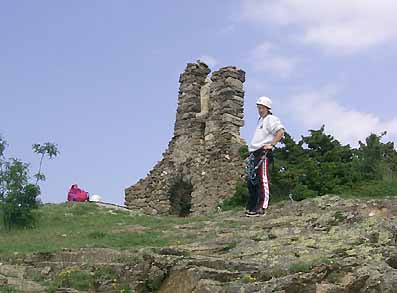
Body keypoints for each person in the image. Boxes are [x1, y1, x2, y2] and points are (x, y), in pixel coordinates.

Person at [245, 96, 285, 216]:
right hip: (255, 152)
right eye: (259, 108)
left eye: (262, 108)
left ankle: (263, 206)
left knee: (263, 179)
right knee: (252, 181)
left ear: (267, 108)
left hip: (263, 152)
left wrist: (271, 144)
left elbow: (280, 132)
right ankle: (252, 207)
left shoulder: (270, 119)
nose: (260, 110)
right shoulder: (261, 121)